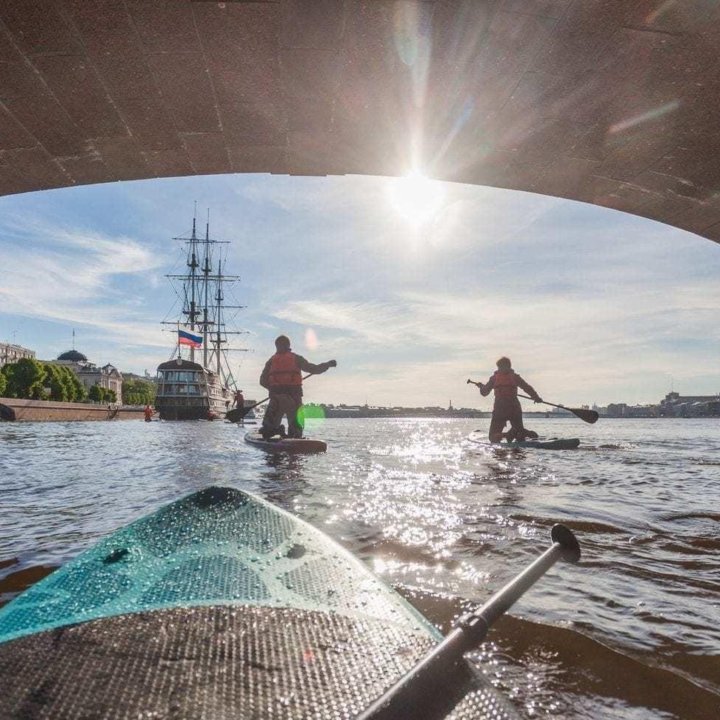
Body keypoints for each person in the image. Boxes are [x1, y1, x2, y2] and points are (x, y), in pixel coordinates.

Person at [259, 335, 336, 439]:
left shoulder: (271, 361)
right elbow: (313, 369)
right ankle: (293, 436)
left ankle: (275, 430)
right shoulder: (296, 358)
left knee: (267, 431)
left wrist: (273, 389)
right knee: (296, 431)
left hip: (276, 398)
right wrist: (327, 364)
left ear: (276, 346)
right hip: (294, 398)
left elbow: (262, 381)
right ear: (288, 345)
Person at [475, 357, 542, 442]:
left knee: (492, 437)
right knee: (520, 437)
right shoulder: (515, 377)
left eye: (499, 367)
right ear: (509, 367)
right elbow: (527, 388)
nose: (499, 369)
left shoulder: (494, 378)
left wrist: (481, 387)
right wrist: (536, 397)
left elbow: (484, 393)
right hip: (514, 407)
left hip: (500, 408)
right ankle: (518, 431)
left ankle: (512, 433)